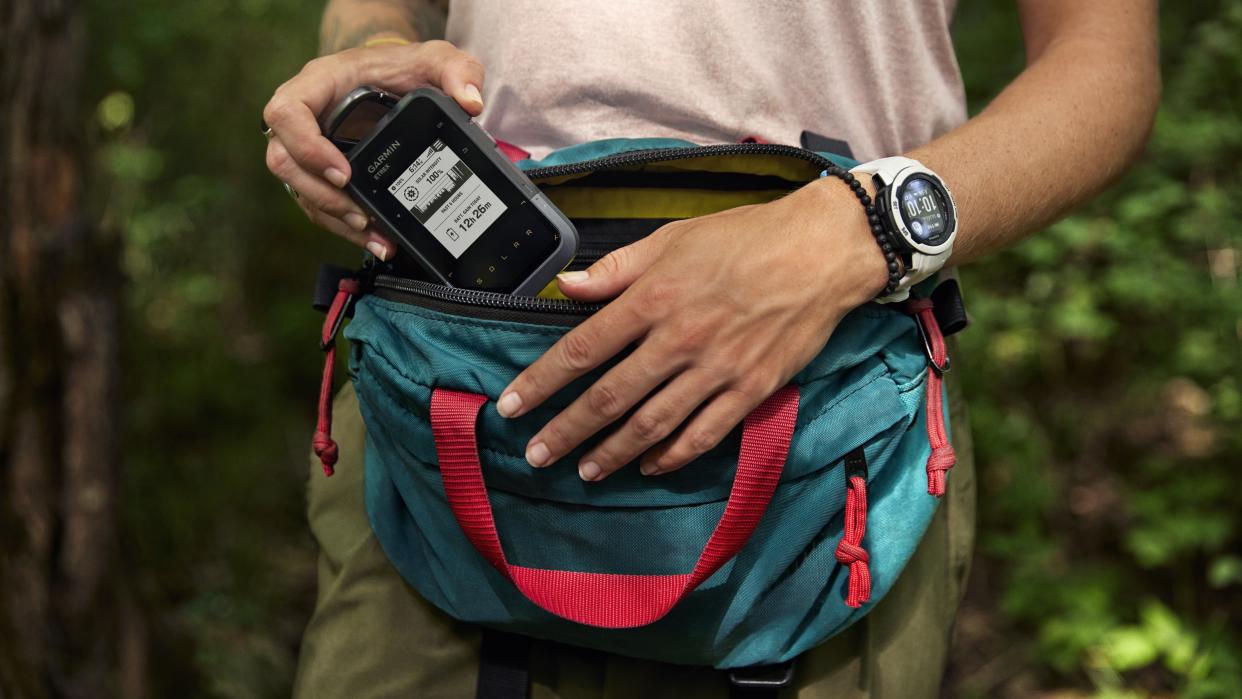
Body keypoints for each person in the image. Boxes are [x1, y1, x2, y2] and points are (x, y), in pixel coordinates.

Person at [263, 2, 1159, 696]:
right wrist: (366, 62)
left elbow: (1106, 67)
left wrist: (856, 234)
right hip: (439, 410)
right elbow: (375, 11)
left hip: (831, 391)